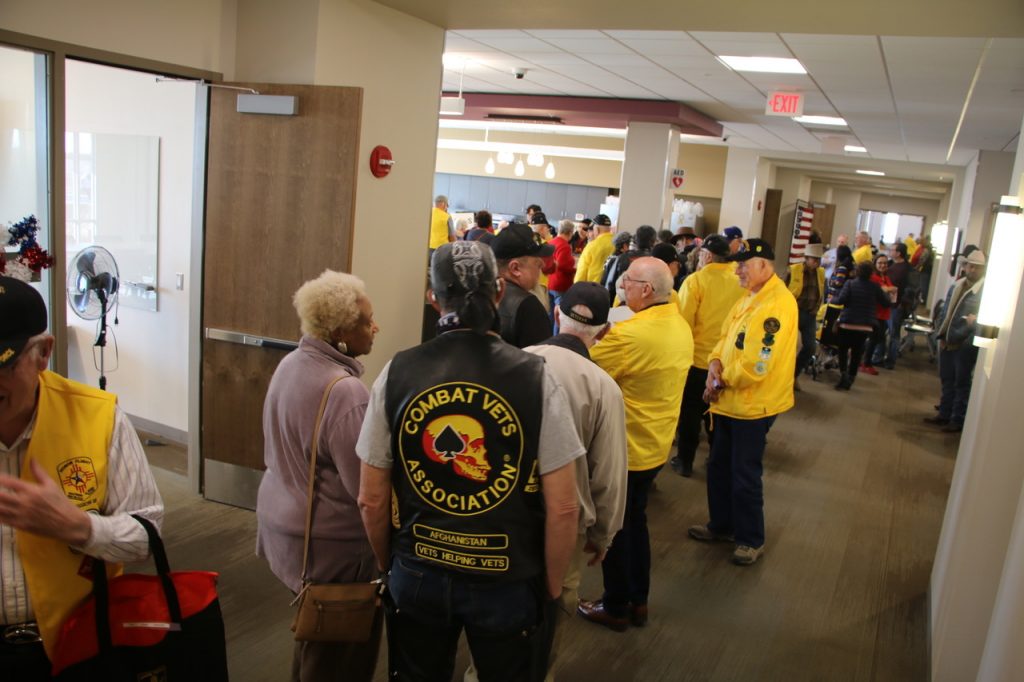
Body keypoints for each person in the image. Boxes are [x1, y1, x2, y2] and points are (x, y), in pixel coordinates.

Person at [356, 241, 584, 682]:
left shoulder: (397, 371)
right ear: (499, 291)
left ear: (432, 297)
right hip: (508, 576)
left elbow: (370, 498)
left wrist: (391, 565)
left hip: (418, 569)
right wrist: (552, 589)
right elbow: (564, 507)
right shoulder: (537, 376)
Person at [0, 276, 163, 680]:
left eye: (1, 363)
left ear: (43, 353)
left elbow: (148, 535)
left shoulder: (98, 417)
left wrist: (79, 526)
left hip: (77, 644)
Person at [257, 270, 381, 682]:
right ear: (342, 331)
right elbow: (364, 490)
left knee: (315, 637)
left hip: (284, 526)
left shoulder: (291, 364)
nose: (374, 327)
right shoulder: (345, 392)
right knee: (339, 658)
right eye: (367, 321)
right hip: (331, 547)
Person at [578, 258, 693, 630]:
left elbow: (580, 363)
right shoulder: (677, 323)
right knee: (635, 523)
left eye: (627, 281)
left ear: (646, 290)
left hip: (628, 446)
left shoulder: (631, 336)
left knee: (615, 528)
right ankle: (638, 600)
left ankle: (616, 605)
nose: (621, 286)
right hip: (656, 442)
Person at [524, 282, 627, 676]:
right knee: (547, 617)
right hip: (564, 529)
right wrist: (603, 536)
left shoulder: (513, 361)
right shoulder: (604, 388)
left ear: (555, 313)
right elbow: (609, 476)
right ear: (603, 332)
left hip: (504, 516)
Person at [687, 239, 796, 567]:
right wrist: (715, 364)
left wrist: (720, 379)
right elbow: (724, 336)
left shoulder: (775, 305)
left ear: (764, 266)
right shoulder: (750, 297)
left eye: (744, 265)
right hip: (729, 401)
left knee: (744, 472)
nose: (737, 271)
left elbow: (757, 365)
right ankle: (722, 525)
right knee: (718, 466)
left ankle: (750, 538)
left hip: (752, 404)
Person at [671, 235, 745, 478]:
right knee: (717, 413)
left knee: (691, 413)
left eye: (702, 254)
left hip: (698, 360)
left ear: (708, 256)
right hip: (728, 361)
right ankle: (716, 461)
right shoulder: (740, 281)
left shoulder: (696, 281)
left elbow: (683, 323)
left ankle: (685, 461)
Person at [925, 250, 986, 433]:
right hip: (948, 339)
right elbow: (947, 313)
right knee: (947, 379)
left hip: (964, 344)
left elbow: (978, 321)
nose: (972, 269)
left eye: (976, 267)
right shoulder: (958, 285)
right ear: (965, 266)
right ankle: (944, 413)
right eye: (970, 265)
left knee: (961, 382)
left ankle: (957, 419)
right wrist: (941, 334)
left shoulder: (984, 291)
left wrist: (965, 333)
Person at [831, 262, 892, 390]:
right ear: (871, 273)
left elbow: (841, 300)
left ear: (857, 272)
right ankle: (851, 377)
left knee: (842, 350)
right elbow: (886, 302)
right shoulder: (875, 287)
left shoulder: (850, 284)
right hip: (865, 326)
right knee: (857, 352)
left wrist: (832, 299)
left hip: (847, 323)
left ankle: (843, 374)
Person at [493, 223, 555, 348]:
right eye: (536, 261)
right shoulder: (528, 307)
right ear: (515, 268)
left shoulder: (481, 293)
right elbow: (541, 361)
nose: (542, 265)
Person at [784, 243, 824, 386]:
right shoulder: (794, 270)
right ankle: (782, 378)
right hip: (794, 312)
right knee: (787, 347)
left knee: (810, 347)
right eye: (814, 259)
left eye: (819, 259)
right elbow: (783, 290)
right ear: (806, 258)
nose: (817, 262)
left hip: (810, 314)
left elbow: (821, 291)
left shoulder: (820, 273)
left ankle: (793, 376)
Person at [861, 254, 896, 375]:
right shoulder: (874, 278)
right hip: (875, 313)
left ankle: (865, 360)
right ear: (875, 264)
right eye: (880, 263)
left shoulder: (885, 277)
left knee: (876, 339)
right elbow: (884, 290)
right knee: (873, 339)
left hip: (884, 313)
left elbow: (890, 290)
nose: (883, 265)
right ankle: (866, 363)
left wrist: (889, 289)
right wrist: (889, 289)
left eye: (885, 263)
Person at [604, 225, 657, 303]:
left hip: (621, 303)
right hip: (646, 306)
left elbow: (610, 284)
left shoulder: (622, 258)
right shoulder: (656, 261)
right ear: (653, 241)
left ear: (636, 239)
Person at [883, 243, 914, 369]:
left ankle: (891, 360)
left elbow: (910, 289)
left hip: (897, 306)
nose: (890, 251)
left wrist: (902, 304)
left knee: (894, 334)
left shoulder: (907, 269)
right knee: (881, 331)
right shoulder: (890, 264)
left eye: (892, 250)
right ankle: (879, 356)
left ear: (899, 253)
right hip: (886, 303)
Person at [547, 220, 578, 329]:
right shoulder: (564, 246)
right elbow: (563, 266)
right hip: (561, 284)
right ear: (570, 232)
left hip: (550, 282)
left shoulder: (551, 242)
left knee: (551, 313)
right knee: (559, 316)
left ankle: (549, 336)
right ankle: (556, 338)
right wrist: (575, 269)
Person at [574, 214, 614, 284]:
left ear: (596, 229)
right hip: (610, 289)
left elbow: (581, 272)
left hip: (592, 288)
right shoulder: (616, 243)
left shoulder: (591, 246)